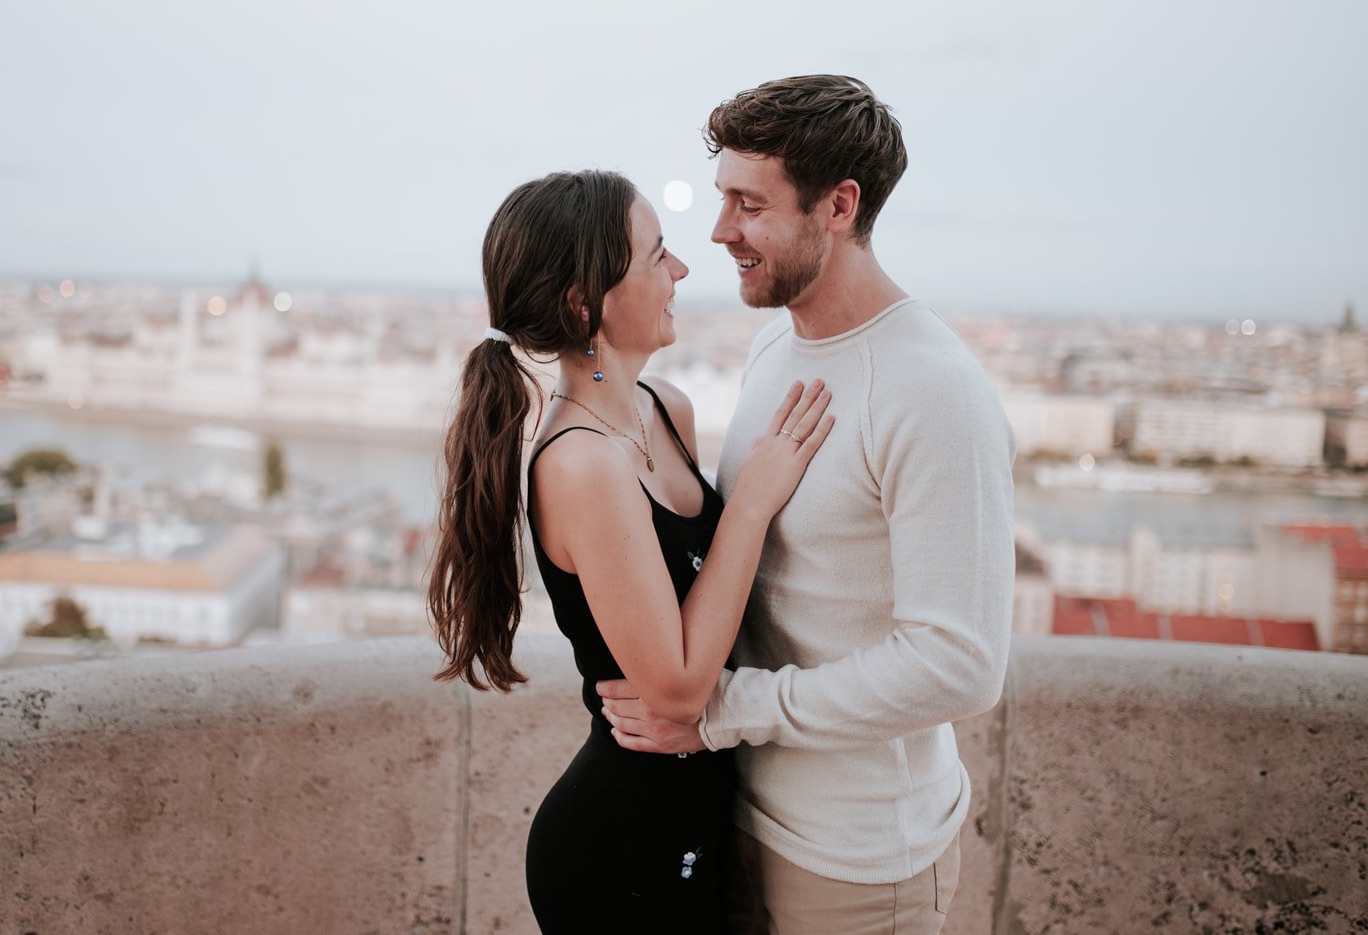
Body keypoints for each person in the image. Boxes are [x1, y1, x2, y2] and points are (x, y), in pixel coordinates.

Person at [596, 76, 1017, 935]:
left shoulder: (934, 391)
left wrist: (723, 710)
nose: (719, 232)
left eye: (748, 204)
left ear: (839, 205)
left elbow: (960, 663)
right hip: (737, 814)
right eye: (721, 200)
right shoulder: (774, 346)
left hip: (857, 861)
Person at [426, 169, 835, 934]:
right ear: (586, 303)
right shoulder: (582, 463)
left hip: (699, 827)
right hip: (620, 853)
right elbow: (679, 688)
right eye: (656, 255)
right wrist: (750, 501)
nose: (680, 269)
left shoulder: (663, 409)